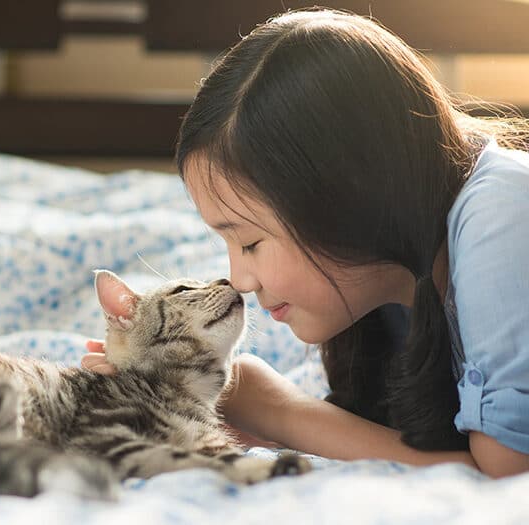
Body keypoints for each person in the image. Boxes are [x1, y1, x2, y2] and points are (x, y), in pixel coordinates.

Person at [81, 8, 529, 478]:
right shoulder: (394, 282)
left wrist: (277, 408)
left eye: (250, 242)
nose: (238, 279)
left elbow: (508, 476)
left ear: (348, 197)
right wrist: (232, 403)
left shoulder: (503, 220)